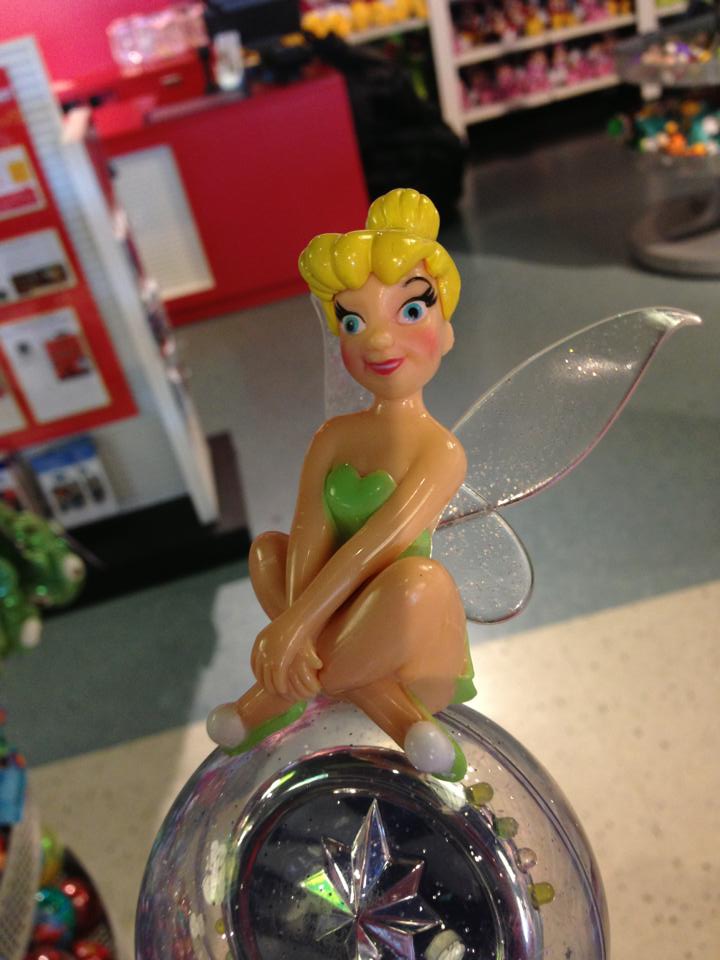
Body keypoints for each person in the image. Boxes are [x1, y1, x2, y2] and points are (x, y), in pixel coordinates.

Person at [207, 188, 473, 781]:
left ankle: (271, 701)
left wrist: (294, 628)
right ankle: (392, 713)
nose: (378, 341)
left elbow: (373, 549)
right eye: (354, 322)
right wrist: (295, 628)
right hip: (335, 622)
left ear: (447, 329)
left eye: (411, 312)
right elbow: (309, 537)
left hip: (399, 629)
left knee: (420, 581)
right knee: (267, 552)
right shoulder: (333, 436)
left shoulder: (441, 452)